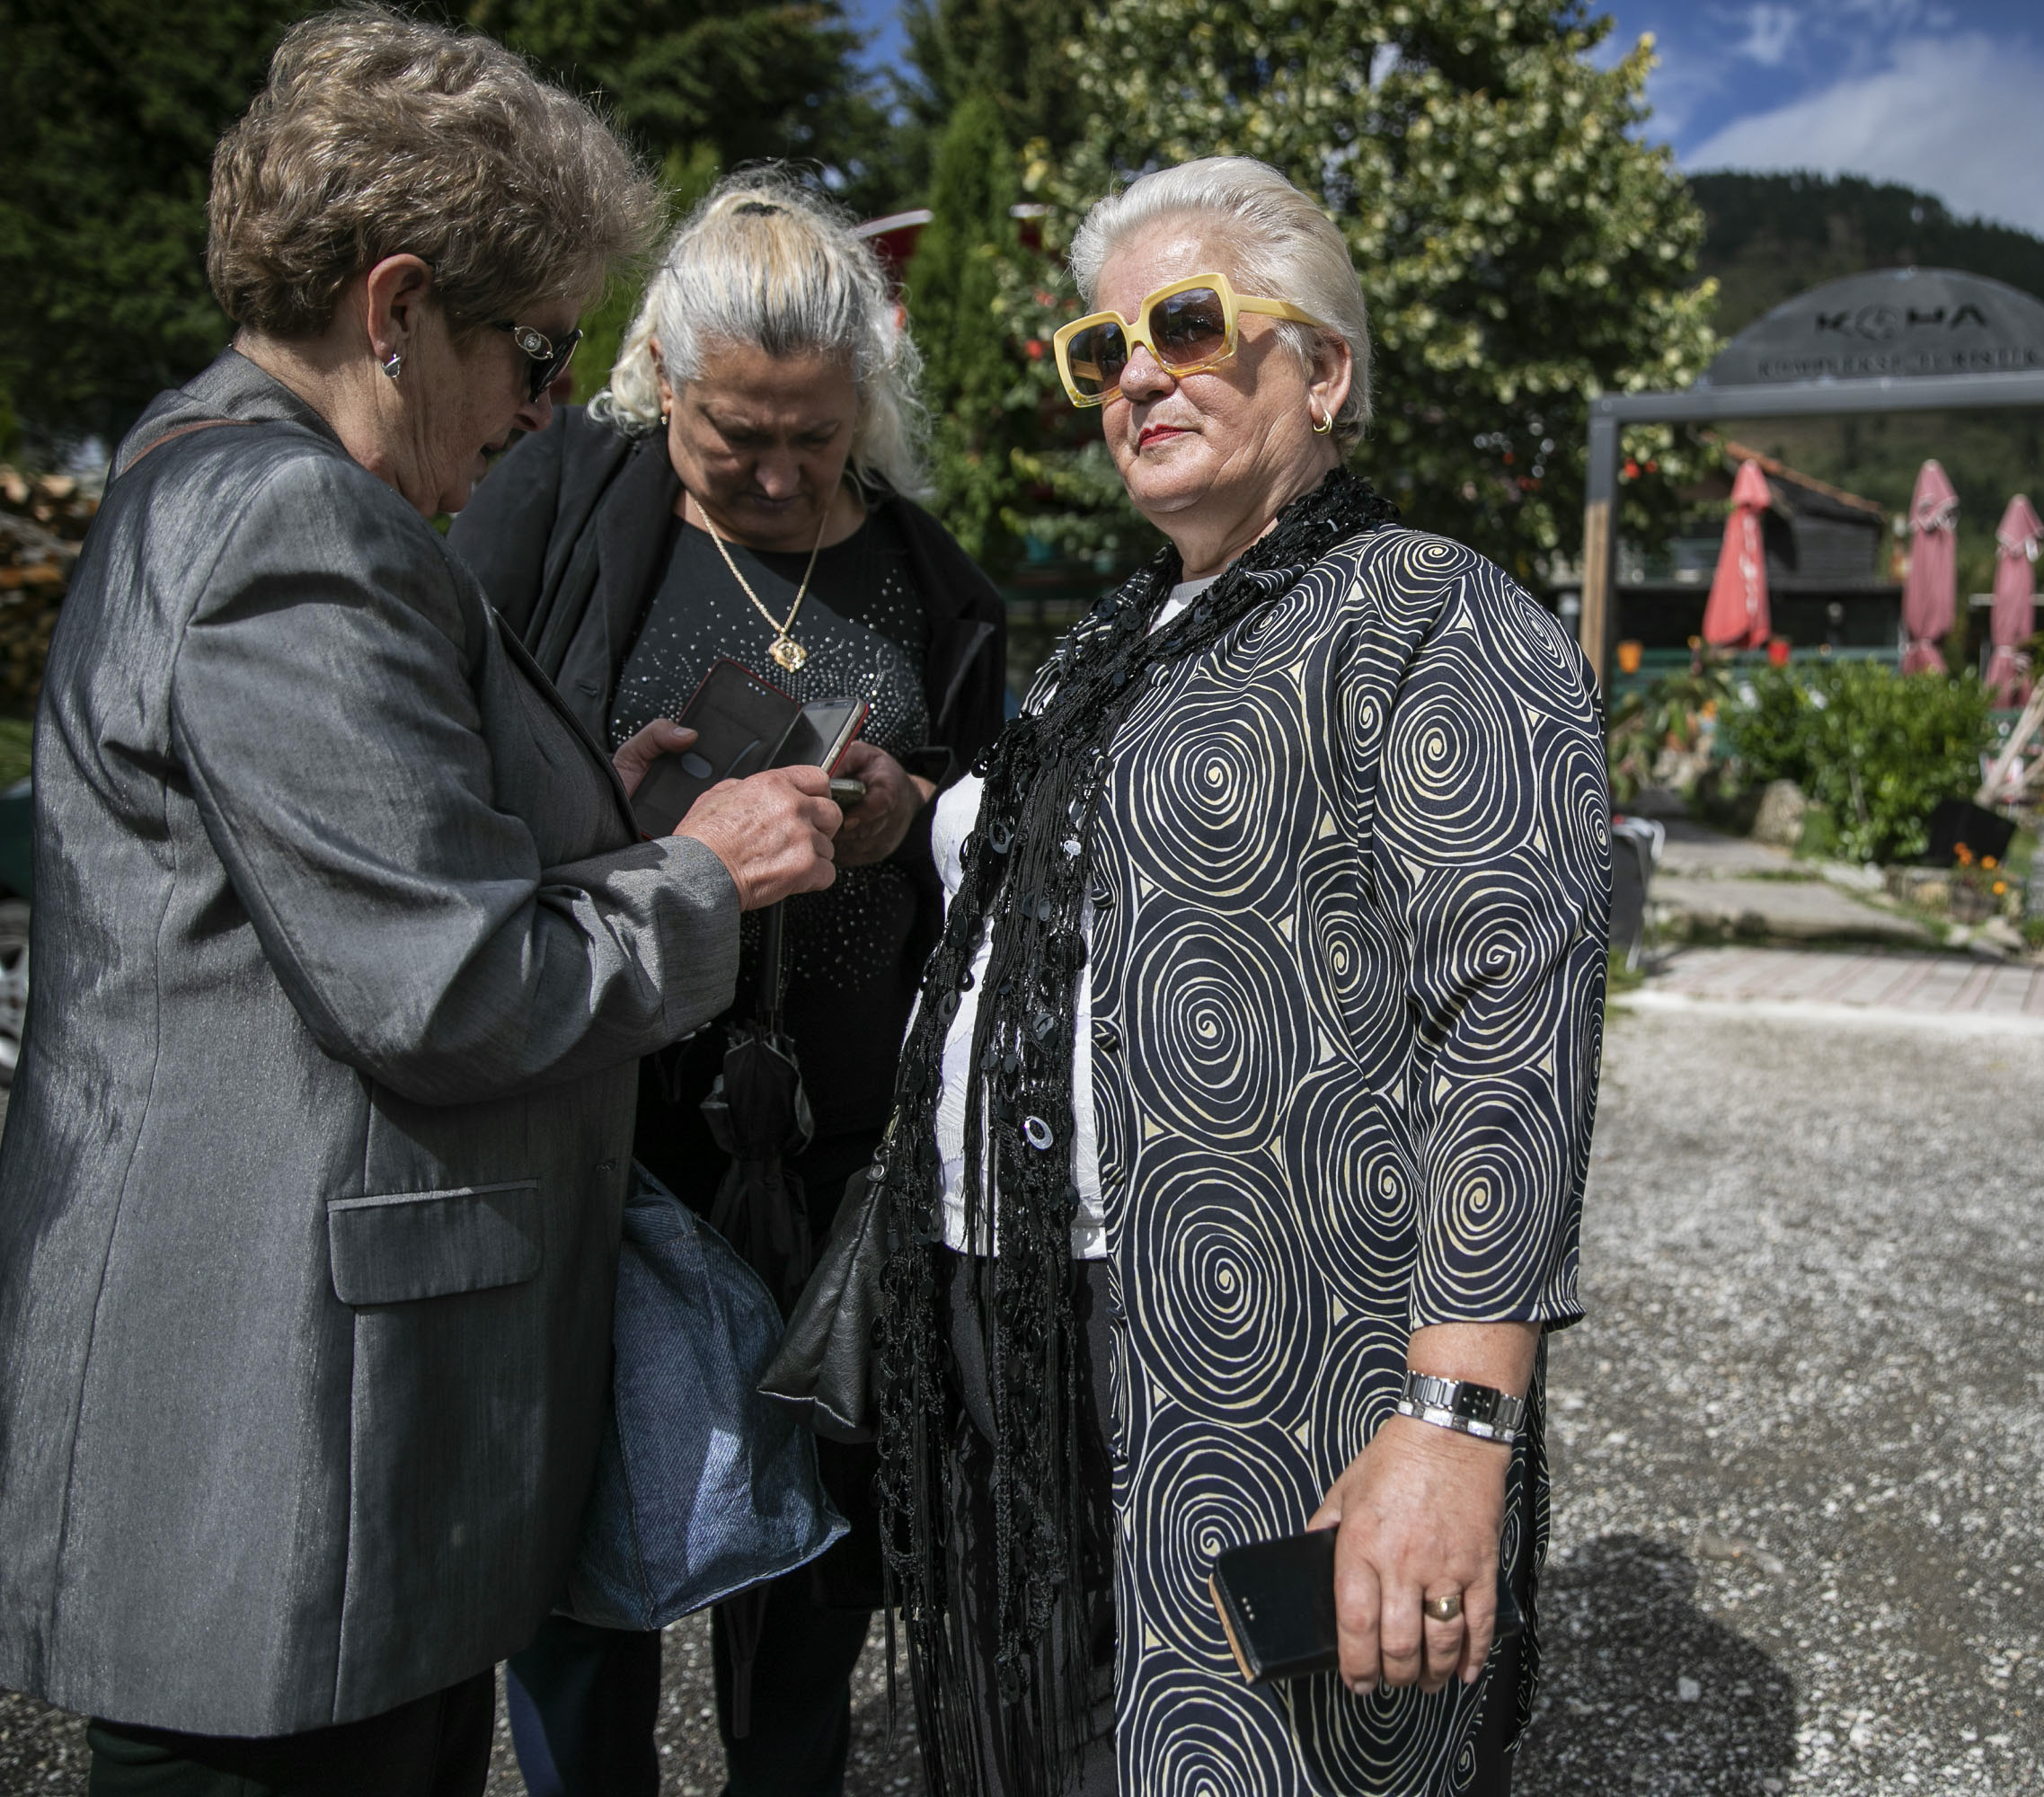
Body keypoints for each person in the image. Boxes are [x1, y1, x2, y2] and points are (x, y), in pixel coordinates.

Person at [0, 14, 841, 1795]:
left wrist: (588, 827)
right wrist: (703, 876)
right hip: (290, 1487)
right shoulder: (294, 534)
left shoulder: (228, 491)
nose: (548, 407)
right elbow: (443, 985)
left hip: (317, 1474)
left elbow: (332, 888)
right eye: (533, 350)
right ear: (395, 309)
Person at [869, 156, 1606, 1794]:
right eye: (1099, 347)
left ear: (1323, 369)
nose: (1134, 372)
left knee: (1269, 1743)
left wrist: (1457, 1428)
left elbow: (1511, 1020)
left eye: (1186, 324)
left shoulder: (1428, 611)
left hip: (1266, 1353)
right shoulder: (1123, 630)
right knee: (1068, 1737)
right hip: (1027, 1300)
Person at [450, 171, 1007, 1795]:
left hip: (838, 1153)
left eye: (811, 440)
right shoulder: (559, 501)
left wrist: (910, 809)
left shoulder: (923, 568)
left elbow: (991, 802)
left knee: (818, 1589)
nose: (772, 473)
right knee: (579, 1583)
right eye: (731, 436)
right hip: (608, 1135)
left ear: (866, 406)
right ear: (659, 384)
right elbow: (432, 764)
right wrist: (609, 822)